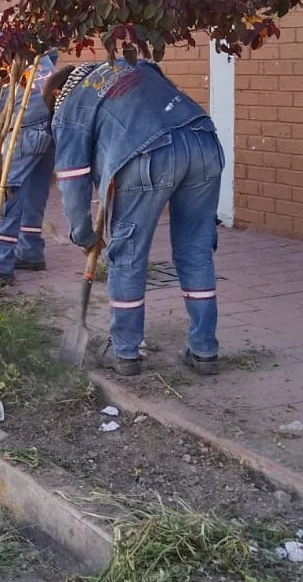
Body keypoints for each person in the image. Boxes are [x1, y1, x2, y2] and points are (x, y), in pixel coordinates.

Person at [45, 49, 224, 377]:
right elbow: (156, 85)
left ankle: (125, 353)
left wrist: (84, 235)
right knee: (196, 251)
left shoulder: (67, 107)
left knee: (127, 256)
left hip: (147, 155)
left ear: (57, 94)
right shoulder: (129, 64)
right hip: (203, 140)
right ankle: (204, 350)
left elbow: (72, 183)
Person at [0, 50, 60, 282]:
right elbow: (53, 54)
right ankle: (30, 252)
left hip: (23, 123)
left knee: (8, 192)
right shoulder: (20, 34)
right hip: (53, 117)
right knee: (35, 190)